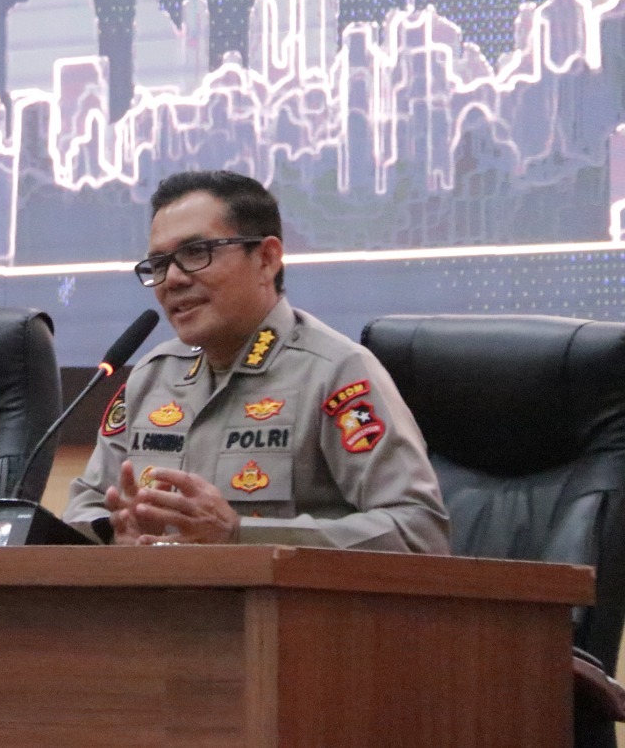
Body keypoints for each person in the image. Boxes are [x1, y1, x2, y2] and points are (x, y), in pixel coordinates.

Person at [61, 170, 450, 552]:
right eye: (160, 264)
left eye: (196, 252)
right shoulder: (151, 378)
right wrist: (114, 533)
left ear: (266, 259)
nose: (173, 279)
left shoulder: (335, 373)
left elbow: (418, 532)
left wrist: (241, 535)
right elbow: (84, 508)